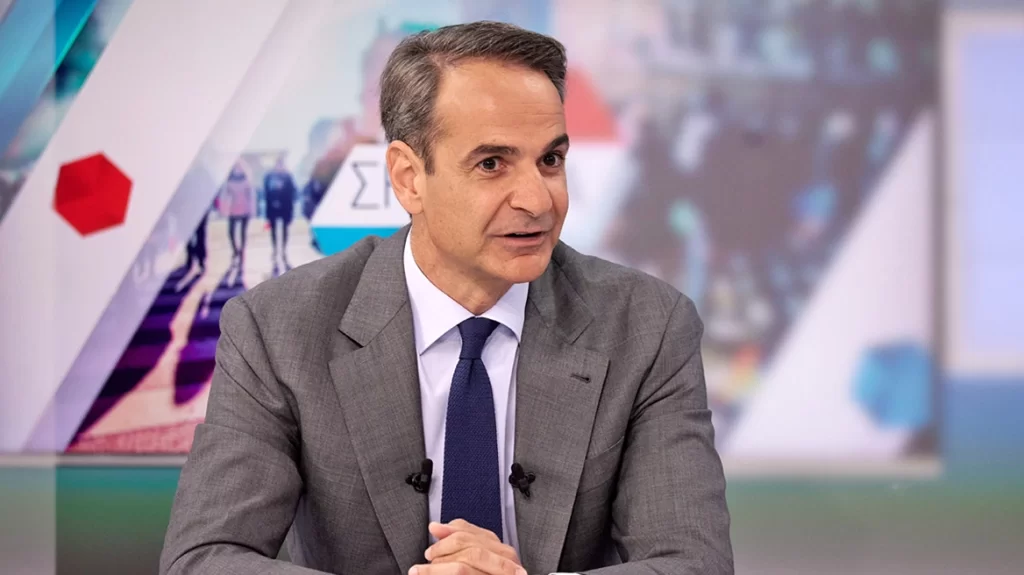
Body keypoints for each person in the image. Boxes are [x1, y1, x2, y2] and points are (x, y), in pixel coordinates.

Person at [160, 22, 732, 575]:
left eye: (550, 160)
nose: (537, 200)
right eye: (492, 164)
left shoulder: (647, 326)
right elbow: (204, 558)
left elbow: (694, 562)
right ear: (409, 178)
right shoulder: (278, 328)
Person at [264, 156, 297, 272]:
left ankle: (283, 251)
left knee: (284, 231)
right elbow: (266, 194)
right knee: (273, 232)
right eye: (277, 164)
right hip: (272, 209)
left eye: (281, 165)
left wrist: (290, 209)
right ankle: (275, 251)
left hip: (285, 209)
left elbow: (293, 193)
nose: (279, 167)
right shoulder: (269, 177)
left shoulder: (288, 177)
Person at [220, 162, 254, 270]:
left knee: (243, 234)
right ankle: (236, 251)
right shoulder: (229, 180)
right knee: (231, 233)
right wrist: (224, 207)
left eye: (239, 167)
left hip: (244, 209)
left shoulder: (246, 180)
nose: (237, 169)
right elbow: (225, 195)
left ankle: (242, 253)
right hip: (233, 210)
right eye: (235, 167)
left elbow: (251, 195)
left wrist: (252, 209)